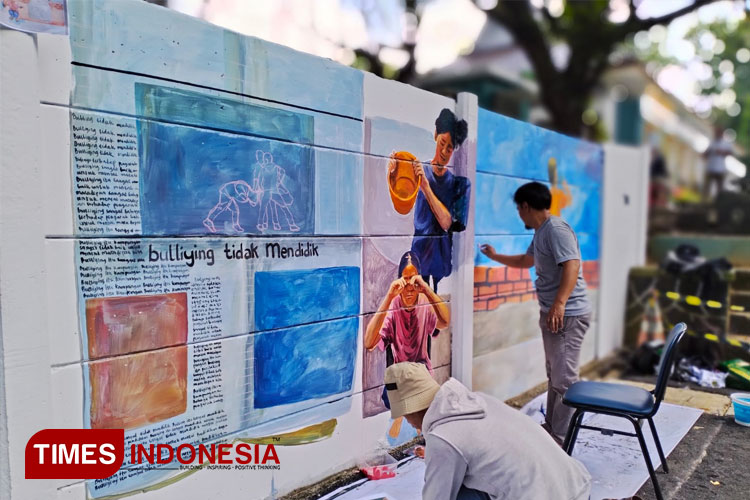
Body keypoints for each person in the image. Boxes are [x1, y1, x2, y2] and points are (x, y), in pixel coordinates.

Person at [479, 182, 591, 445]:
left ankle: (561, 441)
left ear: (526, 206)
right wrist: (495, 257)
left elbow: (572, 264)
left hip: (567, 315)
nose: (519, 215)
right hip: (555, 314)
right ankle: (553, 430)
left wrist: (559, 303)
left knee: (564, 381)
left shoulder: (555, 230)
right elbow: (524, 261)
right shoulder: (542, 232)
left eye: (519, 209)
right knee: (555, 376)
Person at [384, 362, 592, 500]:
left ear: (411, 406)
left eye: (404, 413)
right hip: (578, 488)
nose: (405, 420)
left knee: (460, 494)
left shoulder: (444, 438)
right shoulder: (479, 401)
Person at [391, 109, 470, 293]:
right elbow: (402, 205)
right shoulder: (417, 172)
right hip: (417, 264)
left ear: (454, 149)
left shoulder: (459, 185)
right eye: (442, 143)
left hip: (441, 270)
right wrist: (394, 174)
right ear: (435, 135)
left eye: (449, 148)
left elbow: (447, 223)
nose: (443, 152)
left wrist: (426, 187)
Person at [703, 127, 733, 201]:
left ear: (721, 133)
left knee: (719, 189)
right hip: (710, 168)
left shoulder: (725, 143)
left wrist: (721, 152)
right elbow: (706, 153)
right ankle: (704, 201)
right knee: (706, 187)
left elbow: (730, 152)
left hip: (720, 169)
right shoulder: (712, 142)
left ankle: (718, 203)